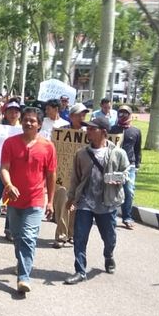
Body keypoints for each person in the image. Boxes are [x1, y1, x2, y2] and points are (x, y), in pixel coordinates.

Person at [63, 116, 129, 285]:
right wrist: (71, 198)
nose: (88, 131)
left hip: (107, 203)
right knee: (79, 237)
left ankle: (109, 255)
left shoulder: (118, 153)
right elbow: (75, 178)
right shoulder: (81, 154)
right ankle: (80, 271)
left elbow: (126, 173)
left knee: (109, 237)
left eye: (93, 129)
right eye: (88, 128)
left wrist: (119, 178)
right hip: (85, 202)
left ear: (104, 132)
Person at [0, 106, 56, 294]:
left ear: (40, 125)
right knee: (17, 236)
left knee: (29, 237)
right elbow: (4, 168)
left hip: (36, 200)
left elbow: (51, 175)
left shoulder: (48, 146)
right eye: (26, 120)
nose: (28, 123)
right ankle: (21, 261)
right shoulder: (10, 143)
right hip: (14, 199)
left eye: (33, 121)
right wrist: (8, 185)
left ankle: (24, 277)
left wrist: (50, 201)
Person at [52, 103, 89, 248]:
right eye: (79, 114)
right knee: (62, 204)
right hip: (62, 175)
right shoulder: (61, 132)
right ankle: (61, 235)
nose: (82, 117)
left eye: (84, 114)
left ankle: (72, 234)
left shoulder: (88, 133)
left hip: (81, 176)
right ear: (71, 116)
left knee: (76, 206)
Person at [0, 101, 21, 240]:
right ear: (5, 113)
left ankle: (9, 229)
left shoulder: (23, 129)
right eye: (10, 111)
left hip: (15, 170)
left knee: (11, 198)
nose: (13, 114)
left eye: (16, 111)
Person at [110, 105, 142, 230]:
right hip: (114, 164)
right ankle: (111, 216)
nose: (122, 116)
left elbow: (137, 150)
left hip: (130, 166)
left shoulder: (135, 131)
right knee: (112, 190)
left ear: (130, 115)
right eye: (120, 113)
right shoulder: (112, 129)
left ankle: (127, 217)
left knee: (129, 191)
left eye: (125, 113)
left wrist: (137, 165)